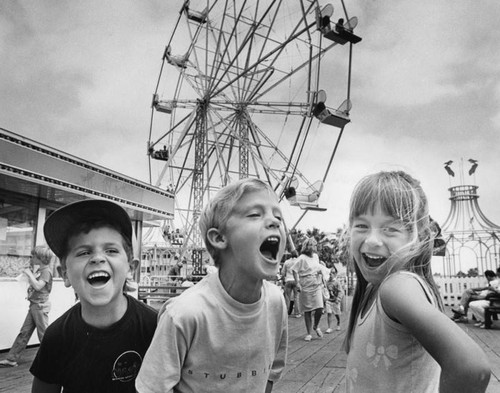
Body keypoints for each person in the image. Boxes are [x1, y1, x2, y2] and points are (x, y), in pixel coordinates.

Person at [136, 178, 288, 393]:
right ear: (218, 238)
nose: (274, 222)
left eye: (279, 218)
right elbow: (153, 387)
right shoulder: (184, 314)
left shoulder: (276, 301)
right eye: (255, 214)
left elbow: (271, 372)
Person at [344, 171, 490, 392]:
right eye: (362, 226)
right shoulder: (374, 288)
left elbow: (471, 367)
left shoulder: (397, 287)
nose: (372, 240)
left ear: (418, 237)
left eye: (390, 229)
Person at [30, 200, 158, 393]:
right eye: (84, 252)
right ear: (64, 273)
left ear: (131, 268)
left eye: (111, 250)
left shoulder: (156, 328)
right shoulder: (57, 338)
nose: (98, 258)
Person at [0, 246, 54, 368]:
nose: (32, 258)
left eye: (34, 256)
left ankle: (52, 360)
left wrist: (29, 274)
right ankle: (11, 359)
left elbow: (39, 286)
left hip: (40, 306)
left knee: (44, 335)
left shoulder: (46, 271)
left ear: (40, 258)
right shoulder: (41, 270)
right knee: (24, 333)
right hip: (35, 305)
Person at [292, 237, 325, 341]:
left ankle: (316, 325)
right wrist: (297, 283)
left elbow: (317, 267)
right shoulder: (301, 258)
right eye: (312, 245)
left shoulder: (315, 256)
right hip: (305, 284)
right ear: (307, 246)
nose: (314, 246)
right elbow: (294, 270)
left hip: (316, 282)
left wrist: (321, 272)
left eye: (315, 245)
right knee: (308, 310)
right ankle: (309, 333)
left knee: (320, 307)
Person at [281, 250, 301, 317]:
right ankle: (297, 313)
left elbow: (283, 273)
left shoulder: (287, 262)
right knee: (296, 297)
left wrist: (283, 280)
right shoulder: (298, 261)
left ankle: (286, 313)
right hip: (296, 280)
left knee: (287, 297)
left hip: (288, 280)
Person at [325, 268, 344, 333]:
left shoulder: (337, 282)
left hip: (335, 301)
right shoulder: (327, 282)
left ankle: (338, 322)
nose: (331, 274)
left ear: (335, 274)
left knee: (336, 314)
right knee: (329, 313)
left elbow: (341, 291)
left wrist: (338, 299)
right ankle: (329, 327)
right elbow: (325, 290)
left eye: (332, 273)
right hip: (329, 300)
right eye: (330, 273)